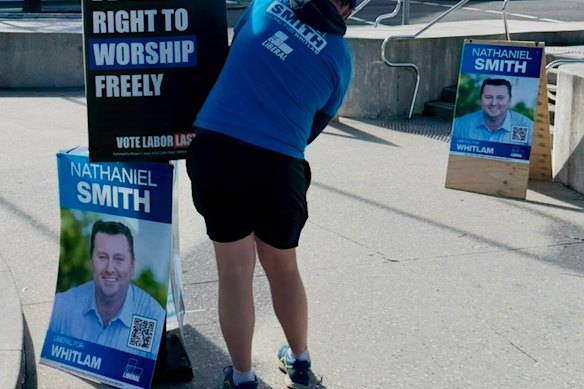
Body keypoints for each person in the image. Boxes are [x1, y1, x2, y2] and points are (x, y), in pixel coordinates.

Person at [186, 0, 355, 387]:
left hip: (220, 149)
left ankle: (243, 377)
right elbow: (314, 126)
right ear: (347, 10)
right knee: (284, 267)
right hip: (280, 166)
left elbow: (231, 55)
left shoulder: (264, 5)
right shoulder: (340, 58)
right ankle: (299, 361)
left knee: (234, 271)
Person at [48, 220, 166, 360]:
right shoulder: (62, 307)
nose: (110, 269)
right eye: (102, 257)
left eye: (119, 259)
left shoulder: (151, 317)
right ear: (91, 262)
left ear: (132, 267)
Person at [452, 78, 534, 145]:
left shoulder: (529, 127)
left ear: (510, 101)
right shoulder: (459, 126)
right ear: (480, 99)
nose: (494, 103)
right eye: (488, 97)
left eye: (500, 98)